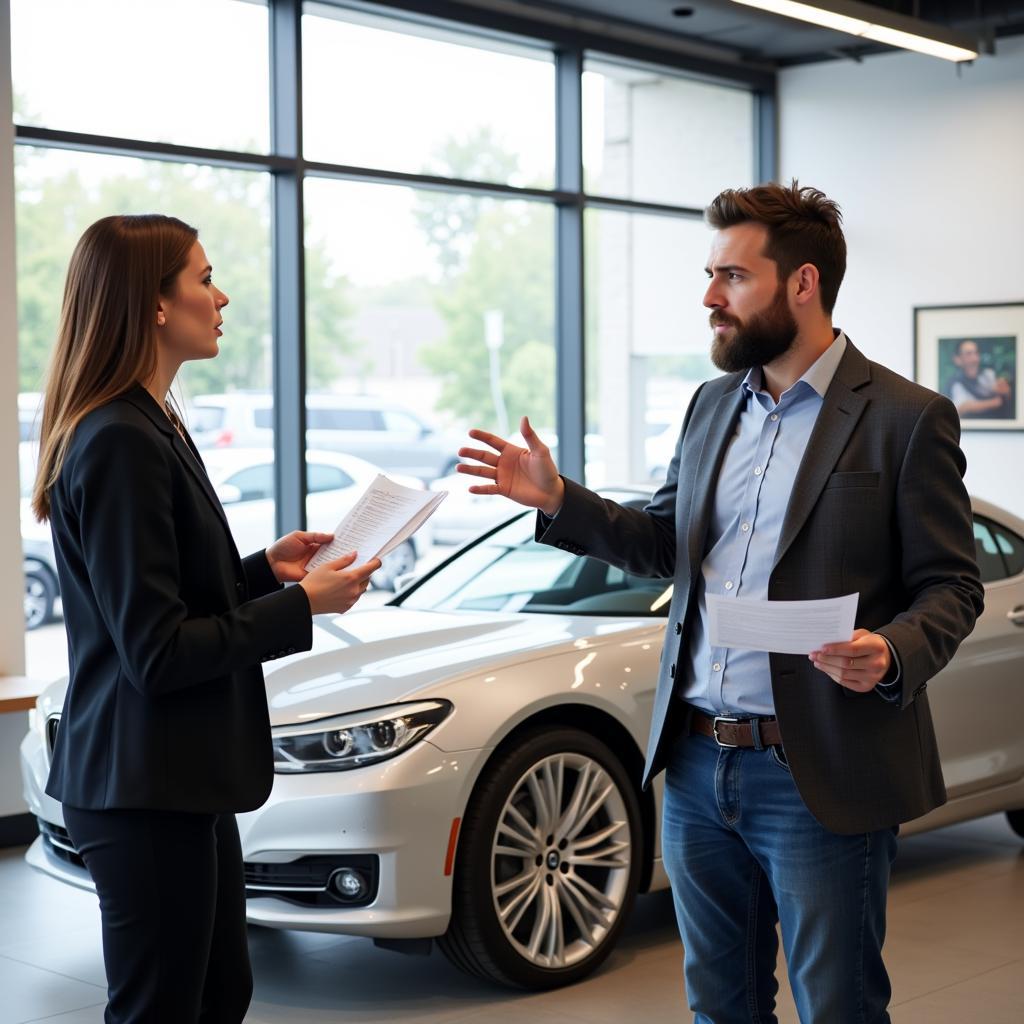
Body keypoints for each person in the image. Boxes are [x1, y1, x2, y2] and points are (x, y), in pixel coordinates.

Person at [457, 182, 984, 1023]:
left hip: (820, 770)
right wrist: (559, 501)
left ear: (802, 284)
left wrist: (890, 650)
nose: (710, 298)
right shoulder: (710, 407)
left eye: (732, 277)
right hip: (699, 765)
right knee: (720, 1009)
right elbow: (665, 543)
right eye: (711, 275)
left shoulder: (905, 418)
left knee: (838, 1007)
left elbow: (952, 586)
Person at [31, 214, 381, 1024]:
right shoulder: (121, 436)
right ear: (154, 305)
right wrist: (300, 607)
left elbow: (162, 594)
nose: (220, 298)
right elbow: (155, 650)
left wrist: (266, 571)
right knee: (163, 1008)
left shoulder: (149, 420)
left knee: (220, 994)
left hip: (172, 778)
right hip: (143, 783)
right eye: (202, 278)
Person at [947, 337, 1013, 418]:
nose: (975, 359)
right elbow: (962, 407)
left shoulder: (988, 374)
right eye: (968, 354)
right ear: (957, 359)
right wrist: (996, 402)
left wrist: (1006, 393)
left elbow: (1003, 392)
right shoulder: (955, 383)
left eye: (976, 353)